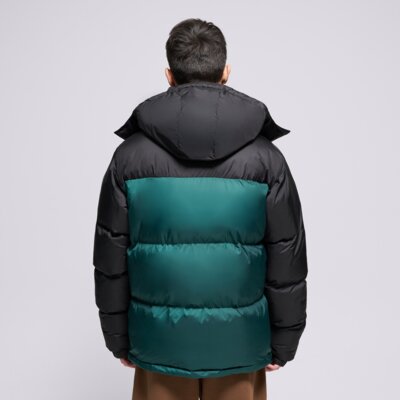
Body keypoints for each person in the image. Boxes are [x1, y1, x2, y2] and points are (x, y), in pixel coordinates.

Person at [93, 18, 308, 400]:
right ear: (226, 72)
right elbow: (286, 258)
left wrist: (118, 339)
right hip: (240, 346)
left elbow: (111, 260)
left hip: (158, 345)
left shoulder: (129, 158)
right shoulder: (267, 160)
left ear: (169, 75)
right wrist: (284, 341)